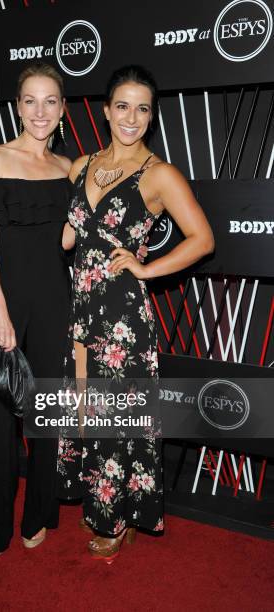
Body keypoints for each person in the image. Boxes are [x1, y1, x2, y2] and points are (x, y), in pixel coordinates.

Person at [58, 65, 215, 563]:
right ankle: (100, 499)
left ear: (152, 116)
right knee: (84, 410)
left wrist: (147, 270)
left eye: (143, 108)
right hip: (79, 305)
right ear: (106, 110)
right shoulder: (80, 165)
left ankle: (115, 518)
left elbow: (203, 240)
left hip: (122, 314)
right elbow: (70, 236)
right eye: (122, 105)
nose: (132, 117)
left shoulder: (159, 174)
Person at [0, 62, 72, 559]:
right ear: (17, 105)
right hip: (4, 304)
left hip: (55, 300)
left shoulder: (66, 169)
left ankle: (38, 514)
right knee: (1, 423)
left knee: (46, 416)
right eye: (31, 100)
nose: (40, 111)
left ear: (63, 110)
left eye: (50, 101)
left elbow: (69, 241)